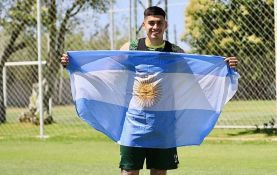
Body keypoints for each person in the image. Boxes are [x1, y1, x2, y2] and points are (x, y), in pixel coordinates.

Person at [61, 6, 238, 175]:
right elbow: (107, 71)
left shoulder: (175, 52)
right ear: (144, 25)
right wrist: (76, 65)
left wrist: (223, 68)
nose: (155, 27)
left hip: (164, 125)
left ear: (165, 25)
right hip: (134, 123)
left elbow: (197, 78)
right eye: (151, 23)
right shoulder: (130, 49)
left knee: (159, 172)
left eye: (159, 23)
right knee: (129, 171)